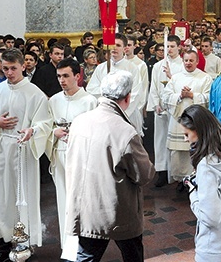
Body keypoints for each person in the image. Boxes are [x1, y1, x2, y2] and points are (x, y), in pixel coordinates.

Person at [65, 70, 155, 262]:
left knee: (86, 256)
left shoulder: (80, 121)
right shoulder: (125, 131)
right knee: (132, 255)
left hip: (86, 206)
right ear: (128, 97)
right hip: (118, 209)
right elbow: (144, 174)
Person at [0, 49, 53, 261]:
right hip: (0, 150)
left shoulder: (35, 93)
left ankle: (21, 246)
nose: (9, 73)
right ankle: (1, 246)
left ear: (23, 67)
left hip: (23, 152)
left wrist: (32, 130)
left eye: (13, 68)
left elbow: (45, 123)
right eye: (5, 68)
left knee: (20, 202)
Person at [179, 105, 221, 262]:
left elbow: (210, 218)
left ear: (199, 130)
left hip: (214, 250)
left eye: (186, 134)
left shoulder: (206, 166)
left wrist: (193, 192)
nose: (185, 139)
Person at [47, 58, 97, 261]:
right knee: (64, 202)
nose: (62, 80)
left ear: (78, 76)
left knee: (81, 204)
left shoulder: (90, 101)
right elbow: (46, 127)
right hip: (60, 156)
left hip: (82, 158)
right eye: (59, 76)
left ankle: (83, 248)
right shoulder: (53, 101)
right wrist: (53, 132)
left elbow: (95, 132)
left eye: (66, 76)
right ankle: (67, 248)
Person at [162, 50, 212, 185]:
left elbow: (209, 98)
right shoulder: (175, 78)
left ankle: (195, 180)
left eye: (191, 60)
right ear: (182, 61)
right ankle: (180, 181)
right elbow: (165, 97)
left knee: (195, 153)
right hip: (178, 122)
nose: (188, 63)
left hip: (196, 123)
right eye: (186, 60)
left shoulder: (205, 78)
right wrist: (179, 96)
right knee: (178, 155)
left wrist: (192, 96)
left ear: (197, 62)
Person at [147, 34, 184, 187]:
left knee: (177, 141)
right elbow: (154, 87)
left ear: (179, 47)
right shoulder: (158, 66)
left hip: (176, 108)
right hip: (161, 108)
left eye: (172, 46)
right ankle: (162, 171)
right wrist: (156, 103)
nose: (169, 50)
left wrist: (171, 76)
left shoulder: (183, 65)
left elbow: (182, 85)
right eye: (167, 47)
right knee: (160, 139)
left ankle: (179, 174)